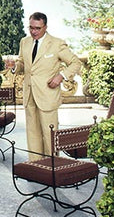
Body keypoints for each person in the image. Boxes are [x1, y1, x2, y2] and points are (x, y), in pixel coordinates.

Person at [13, 12, 82, 161]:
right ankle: (36, 165)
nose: (33, 31)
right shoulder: (24, 42)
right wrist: (14, 67)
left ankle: (52, 165)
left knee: (50, 133)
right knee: (33, 132)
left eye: (37, 28)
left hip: (48, 94)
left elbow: (76, 62)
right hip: (30, 93)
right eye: (31, 27)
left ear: (45, 27)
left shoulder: (57, 44)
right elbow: (22, 62)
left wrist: (61, 76)